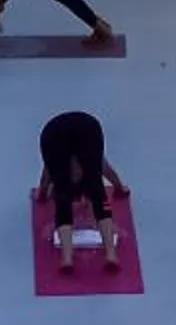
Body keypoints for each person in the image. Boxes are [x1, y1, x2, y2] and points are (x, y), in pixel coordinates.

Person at [33, 109, 128, 274]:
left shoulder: (83, 166)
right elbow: (47, 172)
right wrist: (119, 187)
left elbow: (104, 167)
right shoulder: (66, 166)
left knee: (89, 197)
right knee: (88, 197)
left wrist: (119, 186)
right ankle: (106, 255)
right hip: (61, 132)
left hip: (81, 129)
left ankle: (70, 258)